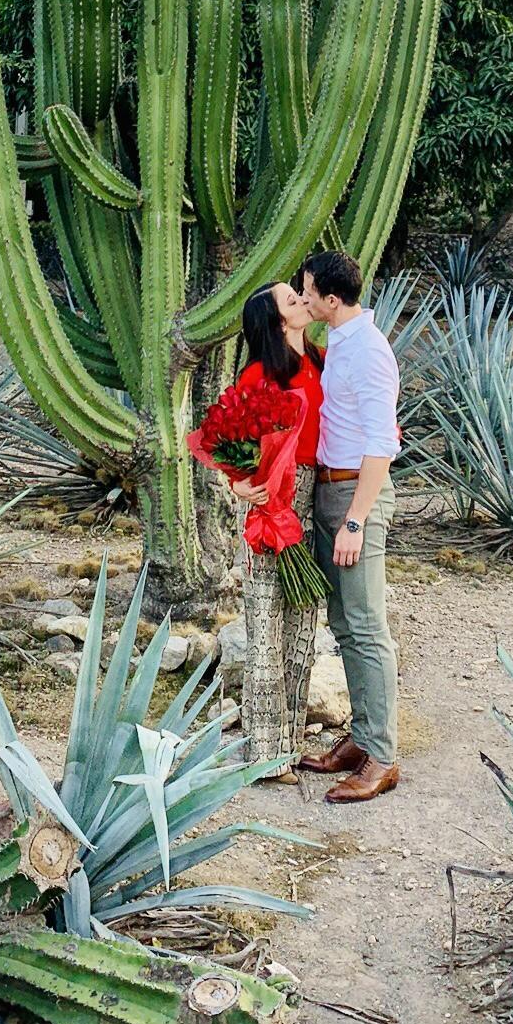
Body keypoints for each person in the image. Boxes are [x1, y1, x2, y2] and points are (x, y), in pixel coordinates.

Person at [295, 248, 402, 803]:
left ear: (332, 300)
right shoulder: (340, 341)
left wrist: (356, 520)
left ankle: (382, 757)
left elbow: (384, 444)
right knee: (343, 620)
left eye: (309, 291)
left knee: (365, 625)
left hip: (357, 494)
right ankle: (361, 740)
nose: (304, 297)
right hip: (333, 490)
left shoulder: (370, 353)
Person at [227, 281, 327, 776]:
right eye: (292, 300)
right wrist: (239, 485)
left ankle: (289, 743)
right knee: (265, 628)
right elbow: (227, 439)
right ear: (277, 322)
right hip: (272, 510)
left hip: (314, 504)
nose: (302, 300)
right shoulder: (259, 375)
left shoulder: (319, 363)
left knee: (302, 629)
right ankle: (264, 755)